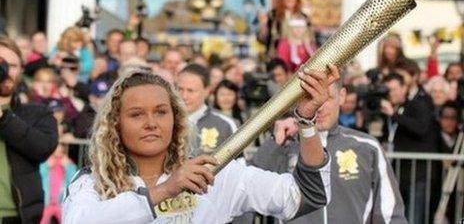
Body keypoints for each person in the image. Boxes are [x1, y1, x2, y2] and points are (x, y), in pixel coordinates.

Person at [63, 65, 338, 223]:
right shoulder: (92, 183)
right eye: (136, 114)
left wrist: (306, 122)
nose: (151, 122)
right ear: (115, 124)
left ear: (176, 119)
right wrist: (166, 190)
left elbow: (307, 196)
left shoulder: (212, 175)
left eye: (161, 111)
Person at [252, 72, 407, 223]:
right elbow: (247, 192)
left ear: (342, 96)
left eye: (326, 98)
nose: (318, 107)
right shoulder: (283, 145)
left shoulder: (367, 148)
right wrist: (273, 143)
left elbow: (390, 215)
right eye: (310, 98)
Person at [0, 36, 58, 223]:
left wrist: (3, 117)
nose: (5, 71)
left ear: (22, 69)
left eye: (12, 65)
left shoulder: (37, 113)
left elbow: (42, 148)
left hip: (17, 217)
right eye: (1, 64)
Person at [380, 73, 439, 224]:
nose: (390, 93)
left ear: (404, 88)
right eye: (388, 90)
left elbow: (421, 128)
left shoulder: (417, 105)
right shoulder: (389, 110)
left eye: (394, 89)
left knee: (414, 218)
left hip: (417, 175)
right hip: (398, 174)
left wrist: (394, 115)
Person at [177, 64, 237, 154]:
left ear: (207, 91)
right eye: (180, 89)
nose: (184, 96)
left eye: (190, 91)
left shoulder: (226, 124)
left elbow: (238, 165)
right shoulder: (164, 121)